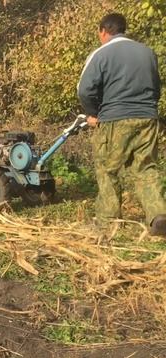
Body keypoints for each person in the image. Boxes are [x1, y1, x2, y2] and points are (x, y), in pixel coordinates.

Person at [77, 13, 166, 236]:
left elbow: (84, 89)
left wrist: (93, 113)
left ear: (103, 31)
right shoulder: (148, 53)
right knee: (146, 168)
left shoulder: (101, 53)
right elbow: (156, 87)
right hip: (147, 118)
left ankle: (108, 223)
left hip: (115, 119)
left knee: (107, 169)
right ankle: (158, 216)